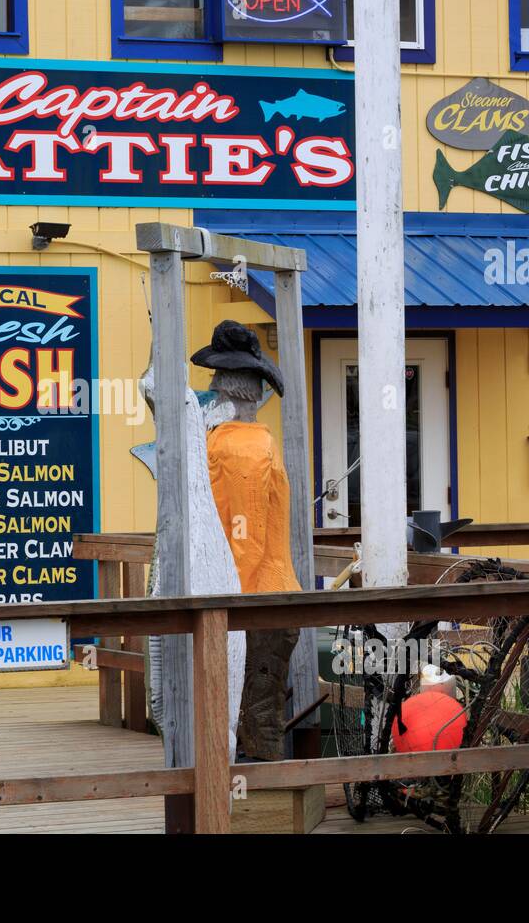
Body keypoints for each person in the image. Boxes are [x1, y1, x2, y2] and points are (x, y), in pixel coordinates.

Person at [192, 321, 301, 762]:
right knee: (253, 716)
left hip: (249, 603)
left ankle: (251, 816)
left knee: (252, 725)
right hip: (264, 599)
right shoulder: (256, 442)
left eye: (215, 385)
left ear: (223, 391)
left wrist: (221, 601)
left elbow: (244, 536)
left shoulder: (234, 448)